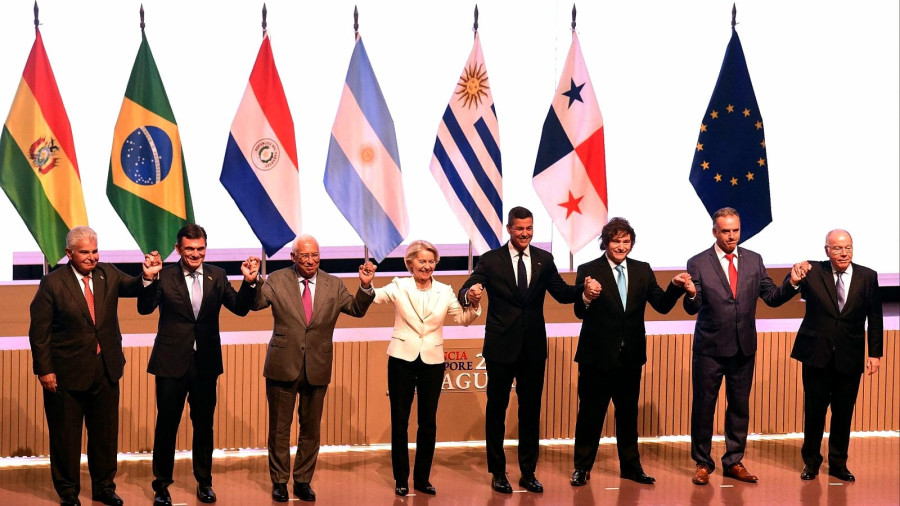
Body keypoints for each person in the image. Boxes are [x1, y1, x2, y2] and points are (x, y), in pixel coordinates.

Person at [458, 206, 596, 494]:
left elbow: (562, 293)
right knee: (496, 410)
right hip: (500, 348)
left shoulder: (544, 259)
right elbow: (467, 287)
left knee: (530, 412)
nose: (525, 233)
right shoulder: (491, 260)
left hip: (533, 349)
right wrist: (470, 294)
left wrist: (584, 290)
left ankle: (528, 472)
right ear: (509, 229)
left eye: (529, 228)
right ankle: (498, 472)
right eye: (520, 228)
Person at [29, 226, 153, 506]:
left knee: (105, 435)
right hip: (65, 374)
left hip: (105, 369)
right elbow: (39, 332)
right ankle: (68, 491)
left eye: (95, 251)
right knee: (66, 437)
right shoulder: (52, 283)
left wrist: (147, 276)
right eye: (85, 252)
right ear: (69, 253)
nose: (92, 257)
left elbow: (133, 287)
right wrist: (44, 370)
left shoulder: (108, 273)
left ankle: (104, 488)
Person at [138, 224, 260, 505]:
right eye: (190, 249)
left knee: (204, 426)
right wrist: (148, 278)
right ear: (178, 249)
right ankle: (161, 486)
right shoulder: (164, 275)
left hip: (205, 363)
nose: (196, 254)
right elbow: (144, 308)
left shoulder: (217, 275)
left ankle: (204, 482)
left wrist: (250, 282)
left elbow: (240, 308)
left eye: (200, 248)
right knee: (167, 426)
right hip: (171, 362)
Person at [570, 218, 695, 487]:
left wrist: (675, 286)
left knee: (628, 416)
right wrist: (587, 296)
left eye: (626, 241)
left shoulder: (642, 270)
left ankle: (630, 467)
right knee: (590, 416)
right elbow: (579, 311)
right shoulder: (588, 270)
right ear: (606, 242)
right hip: (596, 358)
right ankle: (582, 467)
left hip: (630, 358)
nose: (621, 246)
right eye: (616, 241)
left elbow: (661, 305)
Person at [251, 235, 376, 502]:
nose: (311, 261)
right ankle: (280, 481)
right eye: (305, 256)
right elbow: (257, 303)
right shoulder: (277, 279)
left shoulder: (334, 284)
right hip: (283, 365)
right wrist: (252, 281)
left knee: (311, 429)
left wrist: (365, 287)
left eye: (315, 255)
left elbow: (356, 309)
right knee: (279, 429)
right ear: (293, 257)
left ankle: (303, 480)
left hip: (317, 366)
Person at [684, 207, 804, 485]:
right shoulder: (698, 262)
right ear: (715, 232)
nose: (732, 236)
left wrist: (793, 282)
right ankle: (702, 463)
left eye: (736, 230)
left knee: (739, 407)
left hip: (743, 347)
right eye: (726, 231)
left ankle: (733, 461)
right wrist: (690, 294)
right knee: (704, 407)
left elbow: (771, 297)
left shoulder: (753, 260)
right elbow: (693, 306)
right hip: (709, 349)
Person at [372, 240, 482, 497]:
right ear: (410, 263)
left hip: (432, 362)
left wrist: (474, 304)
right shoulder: (399, 285)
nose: (427, 266)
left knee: (428, 422)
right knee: (400, 422)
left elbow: (463, 319)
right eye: (422, 261)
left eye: (431, 262)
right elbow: (375, 296)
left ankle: (422, 478)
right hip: (401, 360)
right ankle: (401, 479)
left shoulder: (445, 291)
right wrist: (367, 284)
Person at [791, 230, 882, 482]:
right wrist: (794, 278)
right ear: (827, 251)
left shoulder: (868, 276)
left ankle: (839, 464)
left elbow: (875, 317)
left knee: (843, 414)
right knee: (815, 413)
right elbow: (783, 294)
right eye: (838, 248)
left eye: (848, 248)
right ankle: (811, 462)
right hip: (816, 355)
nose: (844, 253)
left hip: (850, 357)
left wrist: (875, 353)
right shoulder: (812, 272)